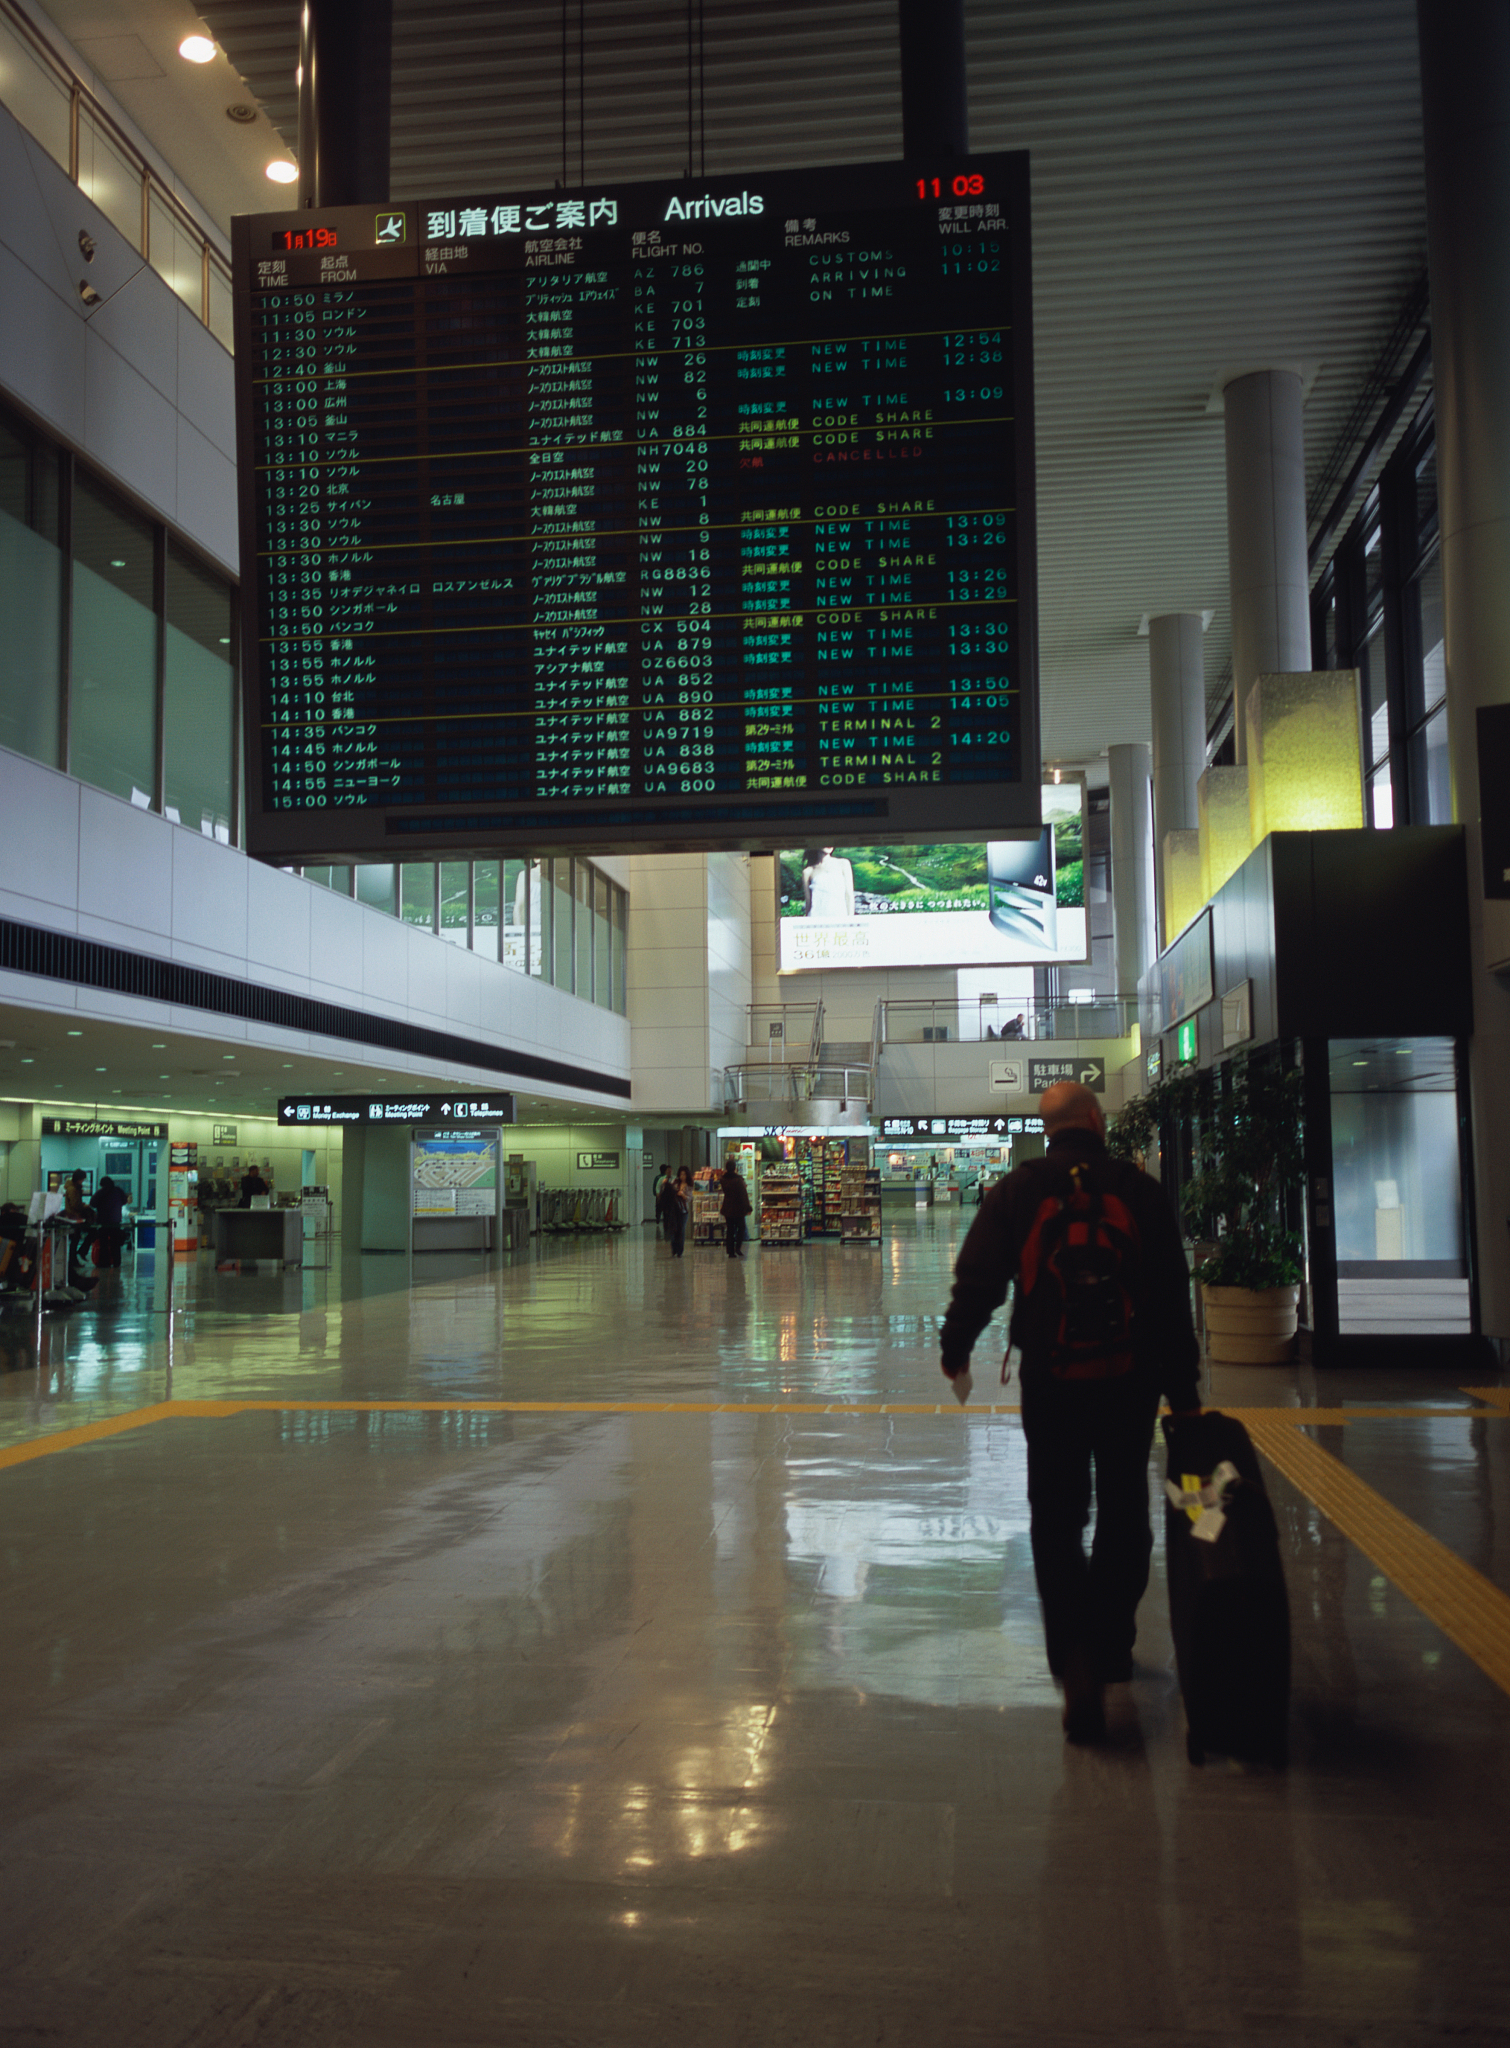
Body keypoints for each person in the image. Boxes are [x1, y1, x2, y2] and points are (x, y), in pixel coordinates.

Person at [938, 1080, 1201, 1745]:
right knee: (1123, 1508)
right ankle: (1111, 1646)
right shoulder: (1138, 1190)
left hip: (1052, 1380)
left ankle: (1074, 1660)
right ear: (1094, 1119)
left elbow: (979, 1276)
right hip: (1129, 1379)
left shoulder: (1021, 1188)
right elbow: (1171, 1296)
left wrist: (956, 1347)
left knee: (1056, 1518)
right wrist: (1185, 1394)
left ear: (1047, 1126)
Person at [801, 846, 855, 920]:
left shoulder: (843, 864)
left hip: (840, 918)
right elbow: (808, 902)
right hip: (816, 920)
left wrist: (851, 919)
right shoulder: (808, 871)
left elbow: (849, 895)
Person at [92, 1174, 127, 1269]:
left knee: (104, 1243)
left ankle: (104, 1262)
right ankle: (117, 1262)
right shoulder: (118, 1191)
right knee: (115, 1243)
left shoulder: (101, 1192)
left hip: (103, 1221)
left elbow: (93, 1203)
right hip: (116, 1221)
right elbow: (124, 1201)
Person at [720, 1160, 751, 1258]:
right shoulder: (738, 1180)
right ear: (735, 1168)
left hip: (728, 1207)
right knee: (741, 1228)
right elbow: (743, 1195)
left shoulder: (723, 1179)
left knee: (730, 1230)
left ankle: (730, 1251)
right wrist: (748, 1207)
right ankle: (737, 1247)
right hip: (738, 1207)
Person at [657, 1167, 689, 1258]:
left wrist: (683, 1195)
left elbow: (690, 1198)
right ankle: (674, 1249)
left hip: (683, 1210)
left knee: (681, 1229)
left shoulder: (689, 1185)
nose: (682, 1176)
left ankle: (680, 1250)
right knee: (674, 1228)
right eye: (681, 1174)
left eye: (684, 1174)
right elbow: (667, 1191)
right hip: (674, 1210)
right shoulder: (674, 1182)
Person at [652, 1162, 671, 1234]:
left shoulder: (657, 1177)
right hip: (666, 1197)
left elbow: (655, 1187)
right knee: (665, 1210)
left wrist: (656, 1194)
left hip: (659, 1196)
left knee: (658, 1207)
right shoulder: (665, 1178)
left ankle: (658, 1217)